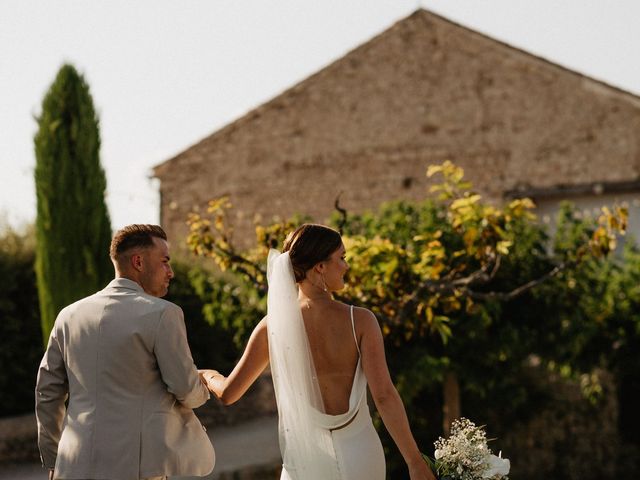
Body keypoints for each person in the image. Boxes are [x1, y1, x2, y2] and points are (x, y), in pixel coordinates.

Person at [200, 223, 435, 480]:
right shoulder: (361, 320)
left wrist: (206, 375)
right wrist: (414, 461)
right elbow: (384, 396)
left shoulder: (271, 327)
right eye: (341, 258)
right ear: (320, 267)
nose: (346, 266)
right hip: (361, 456)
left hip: (305, 462)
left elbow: (229, 393)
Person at [35, 224, 215, 480]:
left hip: (72, 466)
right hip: (135, 469)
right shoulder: (164, 314)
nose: (171, 272)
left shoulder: (68, 315)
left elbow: (47, 392)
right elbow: (186, 389)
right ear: (138, 262)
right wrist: (205, 385)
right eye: (165, 261)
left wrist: (55, 458)